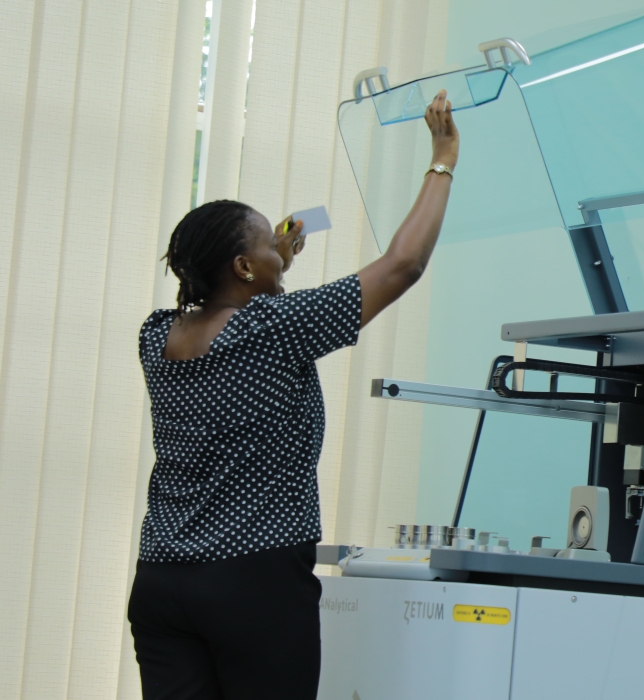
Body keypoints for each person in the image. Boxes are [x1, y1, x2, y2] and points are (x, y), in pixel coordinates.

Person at [126, 90, 458, 699]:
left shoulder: (157, 336)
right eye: (265, 246)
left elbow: (234, 316)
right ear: (242, 268)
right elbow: (403, 265)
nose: (277, 253)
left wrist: (271, 264)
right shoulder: (275, 328)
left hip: (161, 581)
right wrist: (443, 159)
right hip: (251, 580)